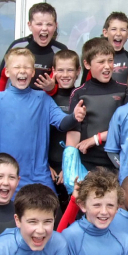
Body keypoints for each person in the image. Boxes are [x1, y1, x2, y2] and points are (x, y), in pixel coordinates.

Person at [0, 47, 82, 190]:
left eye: (26, 67)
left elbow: (62, 123)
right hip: (6, 181)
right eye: (17, 67)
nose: (22, 71)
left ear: (32, 72)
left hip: (38, 180)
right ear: (7, 72)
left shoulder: (43, 99)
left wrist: (74, 116)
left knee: (50, 212)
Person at [67, 37, 128, 171]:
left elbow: (127, 128)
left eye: (110, 61)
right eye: (101, 62)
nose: (107, 66)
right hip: (88, 163)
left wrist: (96, 139)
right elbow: (74, 132)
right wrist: (71, 169)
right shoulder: (79, 93)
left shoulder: (124, 90)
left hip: (116, 162)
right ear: (87, 64)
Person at [0, 2, 67, 93]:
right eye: (39, 24)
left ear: (55, 26)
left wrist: (51, 88)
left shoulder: (60, 51)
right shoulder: (18, 46)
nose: (44, 28)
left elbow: (64, 87)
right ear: (29, 25)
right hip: (19, 101)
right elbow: (2, 76)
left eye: (49, 24)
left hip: (46, 102)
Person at [49, 49, 81, 212]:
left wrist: (67, 168)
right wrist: (45, 165)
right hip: (48, 168)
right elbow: (39, 135)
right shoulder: (46, 98)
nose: (65, 74)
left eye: (70, 70)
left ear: (78, 72)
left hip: (73, 168)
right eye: (60, 70)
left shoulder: (82, 97)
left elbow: (83, 134)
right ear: (53, 71)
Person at [85, 12, 128, 85]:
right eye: (114, 29)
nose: (118, 33)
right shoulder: (94, 57)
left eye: (123, 30)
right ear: (105, 32)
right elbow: (84, 87)